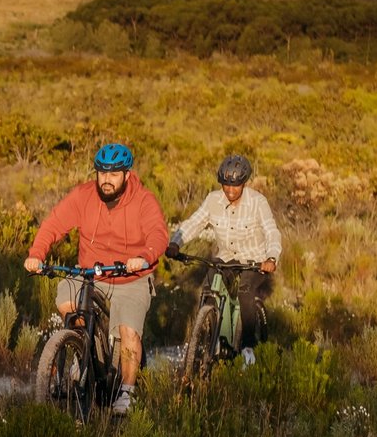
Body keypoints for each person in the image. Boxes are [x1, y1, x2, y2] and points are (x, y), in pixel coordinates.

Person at [24, 142, 168, 416]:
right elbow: (53, 225)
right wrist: (36, 254)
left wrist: (145, 256)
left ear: (127, 174)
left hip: (131, 276)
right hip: (91, 272)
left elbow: (158, 234)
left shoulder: (143, 200)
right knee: (67, 298)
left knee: (128, 330)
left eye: (114, 174)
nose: (106, 180)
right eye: (102, 173)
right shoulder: (84, 196)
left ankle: (127, 391)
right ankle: (83, 352)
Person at [168, 154, 281, 362]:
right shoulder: (213, 200)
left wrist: (271, 258)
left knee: (245, 291)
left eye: (235, 186)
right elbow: (195, 222)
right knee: (209, 289)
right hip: (225, 258)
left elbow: (271, 232)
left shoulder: (258, 202)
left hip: (254, 261)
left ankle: (248, 348)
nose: (229, 190)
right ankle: (208, 338)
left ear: (244, 183)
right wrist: (175, 242)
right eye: (225, 185)